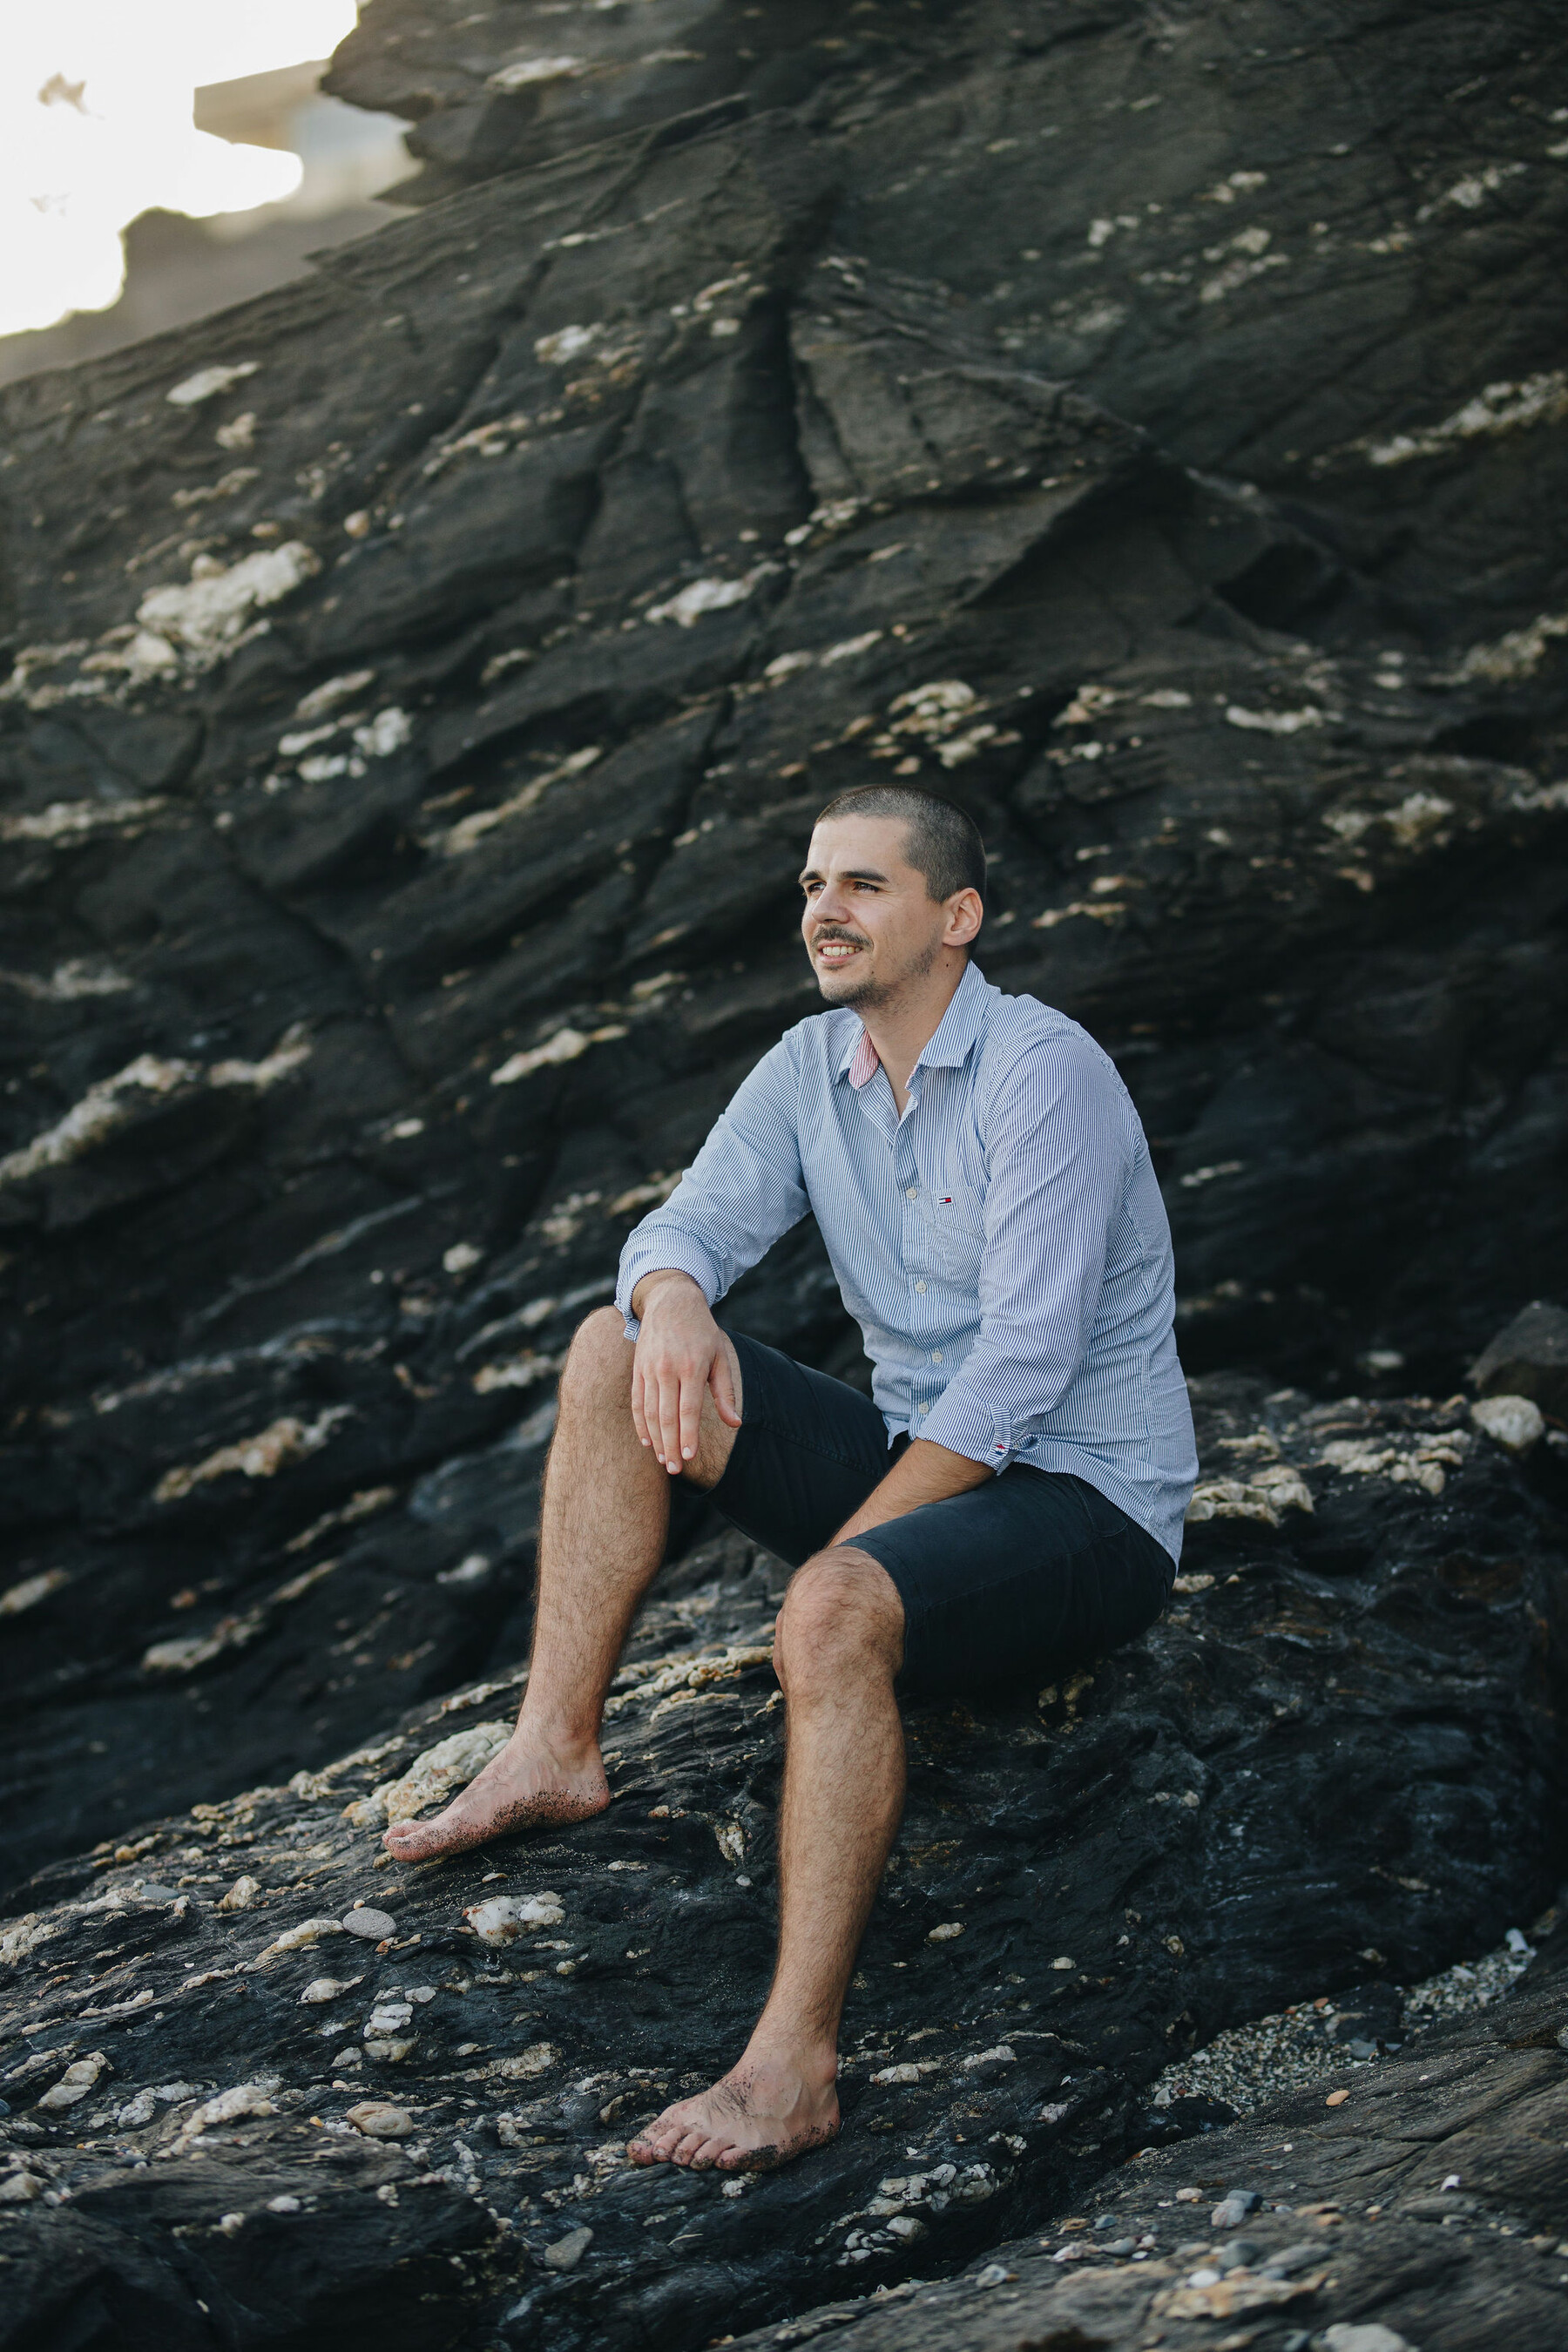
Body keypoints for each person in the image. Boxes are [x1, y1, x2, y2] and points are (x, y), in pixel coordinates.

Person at [384, 783, 1198, 2173]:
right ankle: (552, 1749)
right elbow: (682, 1223)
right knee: (609, 1342)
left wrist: (849, 1559)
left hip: (1086, 1502)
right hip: (920, 1458)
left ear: (957, 917)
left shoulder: (1039, 1071)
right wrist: (678, 1294)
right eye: (813, 884)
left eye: (863, 886)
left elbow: (1023, 1367)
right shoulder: (806, 1069)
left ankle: (789, 2070)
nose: (823, 910)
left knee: (829, 1617)